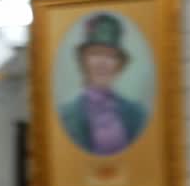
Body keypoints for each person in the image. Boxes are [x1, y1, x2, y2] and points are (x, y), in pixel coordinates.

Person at [58, 12, 147, 156]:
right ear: (84, 61)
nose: (102, 63)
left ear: (119, 64)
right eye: (95, 54)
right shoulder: (66, 116)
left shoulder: (137, 114)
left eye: (109, 55)